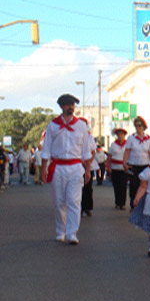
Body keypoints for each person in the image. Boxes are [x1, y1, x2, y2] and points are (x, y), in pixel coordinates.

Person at [41, 94, 92, 245]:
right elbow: (46, 148)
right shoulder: (53, 125)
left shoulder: (81, 126)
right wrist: (44, 167)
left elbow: (86, 150)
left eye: (73, 105)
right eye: (68, 105)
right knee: (58, 202)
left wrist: (88, 169)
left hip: (76, 167)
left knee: (74, 201)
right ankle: (60, 230)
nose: (71, 107)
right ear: (62, 107)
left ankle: (72, 233)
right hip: (58, 167)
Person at [123, 116, 150, 211]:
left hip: (145, 165)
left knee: (144, 186)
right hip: (133, 165)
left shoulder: (148, 139)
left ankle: (142, 205)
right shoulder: (131, 138)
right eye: (136, 126)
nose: (138, 128)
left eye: (140, 126)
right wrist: (125, 163)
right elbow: (127, 151)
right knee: (134, 186)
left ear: (144, 126)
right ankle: (133, 205)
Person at [80, 117, 98, 217]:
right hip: (79, 164)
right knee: (79, 188)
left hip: (89, 165)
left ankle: (88, 207)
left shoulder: (90, 137)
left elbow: (93, 151)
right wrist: (82, 162)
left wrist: (89, 162)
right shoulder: (75, 136)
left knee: (88, 187)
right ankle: (80, 208)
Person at [108, 128, 128, 210]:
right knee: (116, 186)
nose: (120, 136)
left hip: (123, 168)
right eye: (119, 134)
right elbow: (109, 157)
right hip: (115, 168)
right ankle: (117, 202)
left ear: (124, 135)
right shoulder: (113, 145)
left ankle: (122, 203)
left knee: (123, 186)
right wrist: (109, 167)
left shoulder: (127, 145)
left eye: (122, 134)